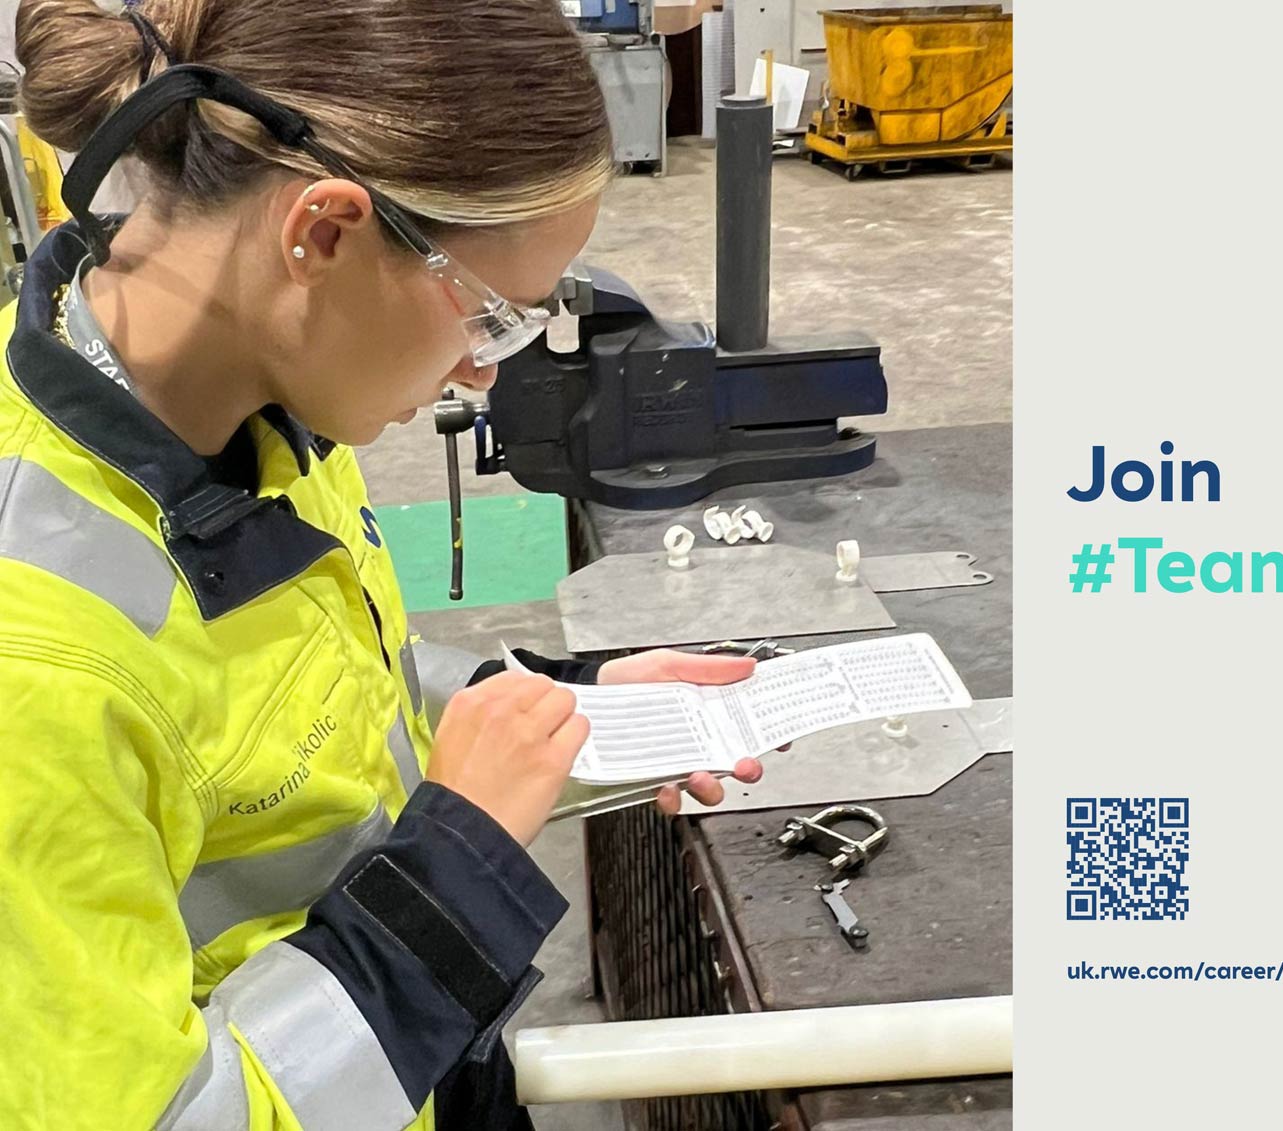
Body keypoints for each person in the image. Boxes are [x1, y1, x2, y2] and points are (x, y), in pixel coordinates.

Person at [0, 2, 764, 1128]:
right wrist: (455, 875)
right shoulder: (40, 665)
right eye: (490, 316)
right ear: (322, 232)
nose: (481, 373)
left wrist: (560, 714)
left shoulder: (254, 413)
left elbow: (314, 720)